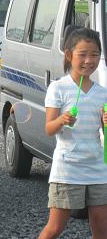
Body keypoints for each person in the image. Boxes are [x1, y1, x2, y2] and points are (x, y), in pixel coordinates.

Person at [39, 28, 107, 239]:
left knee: (101, 226)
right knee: (55, 227)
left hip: (97, 167)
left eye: (94, 54)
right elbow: (49, 129)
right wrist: (62, 119)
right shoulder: (58, 88)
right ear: (69, 55)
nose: (89, 60)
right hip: (68, 168)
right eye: (83, 54)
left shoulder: (102, 93)